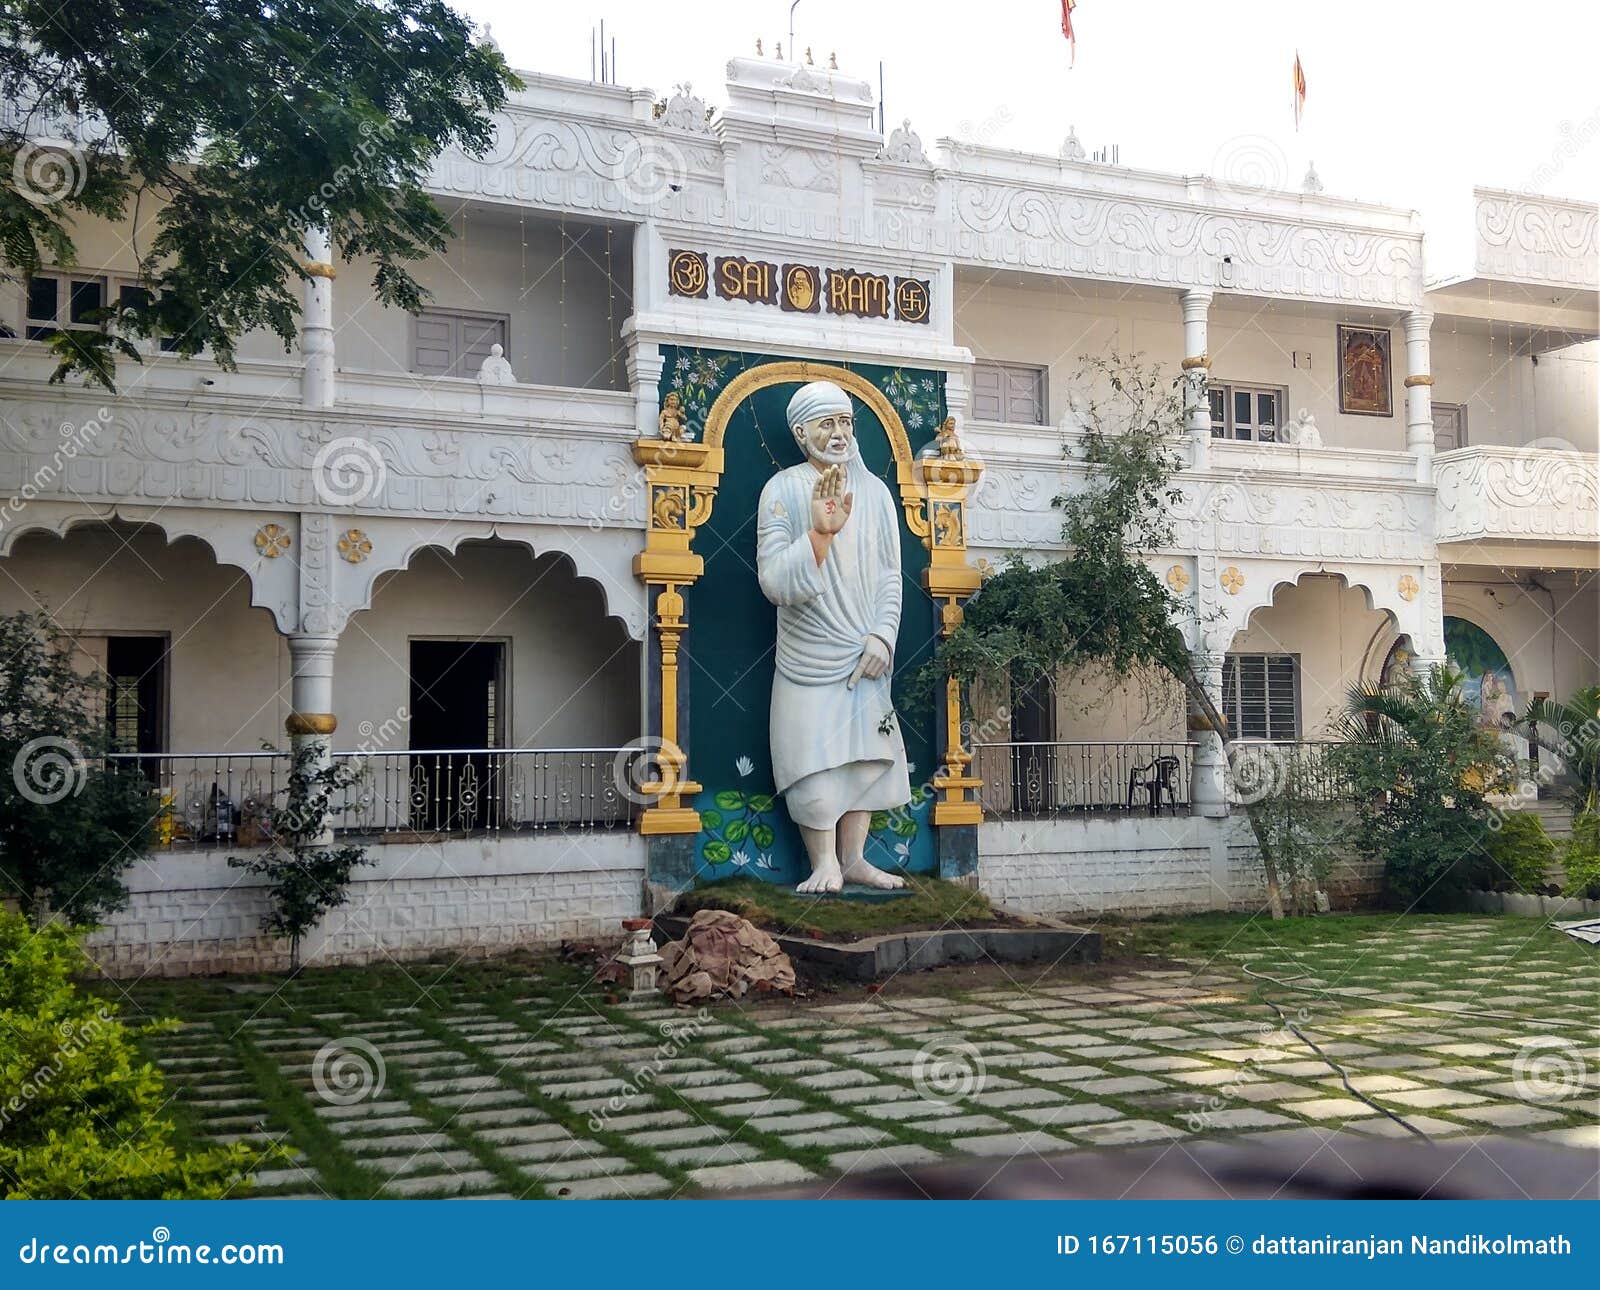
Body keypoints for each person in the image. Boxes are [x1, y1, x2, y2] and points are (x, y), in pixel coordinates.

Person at [756, 381, 911, 894]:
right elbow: (775, 581)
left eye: (846, 423)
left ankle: (854, 859)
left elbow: (892, 575)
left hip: (864, 653)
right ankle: (822, 862)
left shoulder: (876, 492)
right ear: (801, 433)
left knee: (863, 755)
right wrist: (819, 535)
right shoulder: (782, 490)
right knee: (812, 758)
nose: (840, 434)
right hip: (807, 659)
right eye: (827, 423)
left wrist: (883, 637)